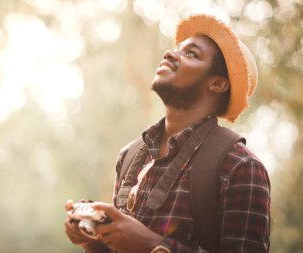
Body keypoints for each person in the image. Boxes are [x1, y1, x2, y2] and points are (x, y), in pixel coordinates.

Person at [64, 14, 270, 253]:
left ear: (217, 84)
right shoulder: (129, 156)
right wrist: (95, 241)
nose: (170, 54)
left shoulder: (240, 167)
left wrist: (152, 246)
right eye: (176, 48)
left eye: (191, 54)